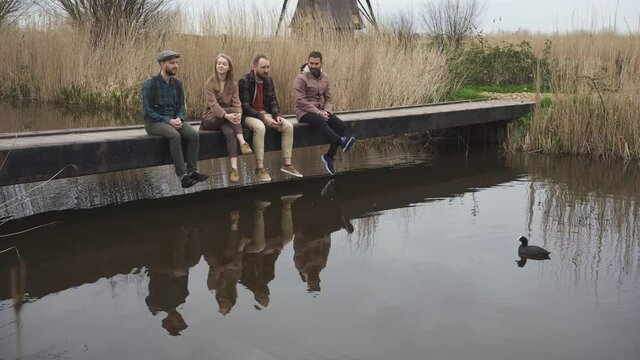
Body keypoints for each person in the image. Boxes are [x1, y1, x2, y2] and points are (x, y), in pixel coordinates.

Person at [142, 50, 209, 188]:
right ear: (162, 64)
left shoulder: (178, 84)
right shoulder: (150, 84)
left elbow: (181, 107)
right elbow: (147, 111)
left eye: (177, 63)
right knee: (174, 136)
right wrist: (168, 121)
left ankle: (193, 172)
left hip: (174, 121)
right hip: (154, 123)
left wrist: (179, 118)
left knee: (193, 134)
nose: (176, 66)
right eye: (172, 63)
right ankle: (183, 176)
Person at [239, 54, 303, 182]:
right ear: (254, 66)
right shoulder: (244, 81)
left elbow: (273, 101)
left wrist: (277, 116)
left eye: (268, 67)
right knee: (260, 127)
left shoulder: (269, 80)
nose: (266, 70)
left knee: (288, 126)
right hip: (248, 116)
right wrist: (262, 117)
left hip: (265, 114)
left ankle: (287, 164)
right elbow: (244, 106)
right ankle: (259, 168)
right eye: (263, 67)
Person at [293, 51, 356, 175]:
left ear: (321, 63)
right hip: (304, 112)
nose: (313, 66)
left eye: (316, 63)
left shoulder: (325, 78)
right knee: (319, 120)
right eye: (311, 63)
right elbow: (300, 100)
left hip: (321, 111)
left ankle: (329, 156)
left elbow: (328, 98)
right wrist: (318, 112)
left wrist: (326, 111)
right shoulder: (301, 78)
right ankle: (341, 142)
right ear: (308, 62)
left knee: (341, 125)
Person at [201, 54, 253, 183]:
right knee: (232, 111)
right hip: (211, 119)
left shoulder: (233, 85)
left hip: (226, 120)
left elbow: (237, 103)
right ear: (215, 65)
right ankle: (242, 142)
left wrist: (239, 114)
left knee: (230, 133)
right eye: (219, 63)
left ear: (229, 68)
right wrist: (227, 115)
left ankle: (234, 169)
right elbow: (213, 105)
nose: (221, 66)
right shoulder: (209, 83)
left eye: (224, 64)